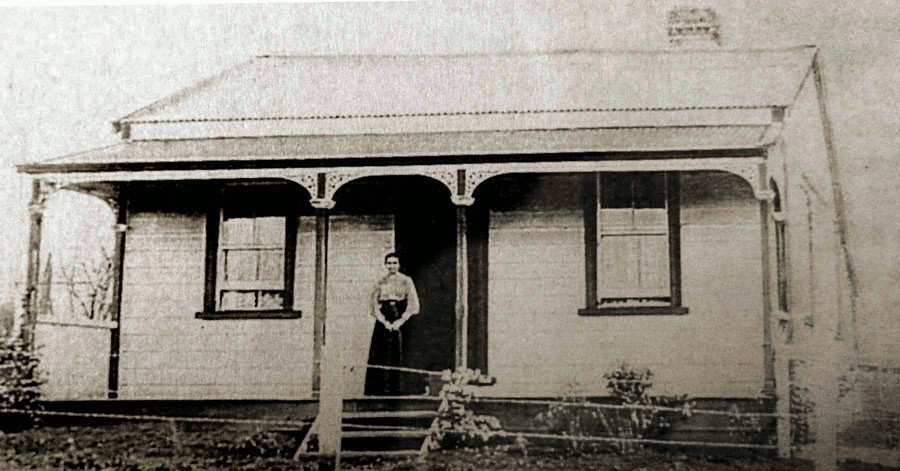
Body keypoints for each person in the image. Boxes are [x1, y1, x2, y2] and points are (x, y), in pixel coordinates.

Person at [364, 252, 420, 396]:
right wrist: (383, 321)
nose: (391, 266)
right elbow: (373, 304)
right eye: (389, 263)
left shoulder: (406, 281)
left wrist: (400, 321)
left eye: (394, 263)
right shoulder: (380, 281)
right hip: (383, 321)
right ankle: (379, 389)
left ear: (399, 265)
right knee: (380, 352)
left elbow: (413, 304)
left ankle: (398, 389)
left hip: (400, 320)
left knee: (399, 351)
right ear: (385, 265)